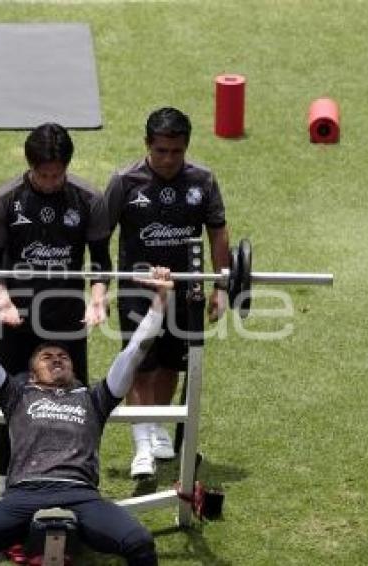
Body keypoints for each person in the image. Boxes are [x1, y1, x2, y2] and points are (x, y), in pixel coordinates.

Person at [0, 264, 171, 566]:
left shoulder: (94, 398)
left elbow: (135, 352)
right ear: (32, 372)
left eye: (63, 357)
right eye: (46, 357)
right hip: (23, 494)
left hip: (81, 494)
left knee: (140, 543)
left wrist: (161, 300)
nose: (57, 359)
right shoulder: (16, 394)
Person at [0, 122, 112, 495]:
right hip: (18, 318)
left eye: (58, 174)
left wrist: (98, 297)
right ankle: (5, 486)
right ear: (30, 166)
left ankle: (81, 484)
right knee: (11, 404)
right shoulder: (5, 200)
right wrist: (2, 299)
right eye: (44, 175)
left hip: (67, 319)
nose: (52, 181)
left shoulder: (88, 199)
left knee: (77, 406)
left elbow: (101, 260)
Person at [104, 107, 230, 478]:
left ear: (186, 147)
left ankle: (158, 428)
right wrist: (99, 288)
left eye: (176, 151)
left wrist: (220, 285)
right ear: (147, 145)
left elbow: (218, 230)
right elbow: (99, 235)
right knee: (140, 366)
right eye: (161, 151)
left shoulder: (203, 181)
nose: (168, 159)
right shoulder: (125, 182)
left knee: (172, 364)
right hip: (136, 290)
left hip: (186, 291)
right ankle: (141, 445)